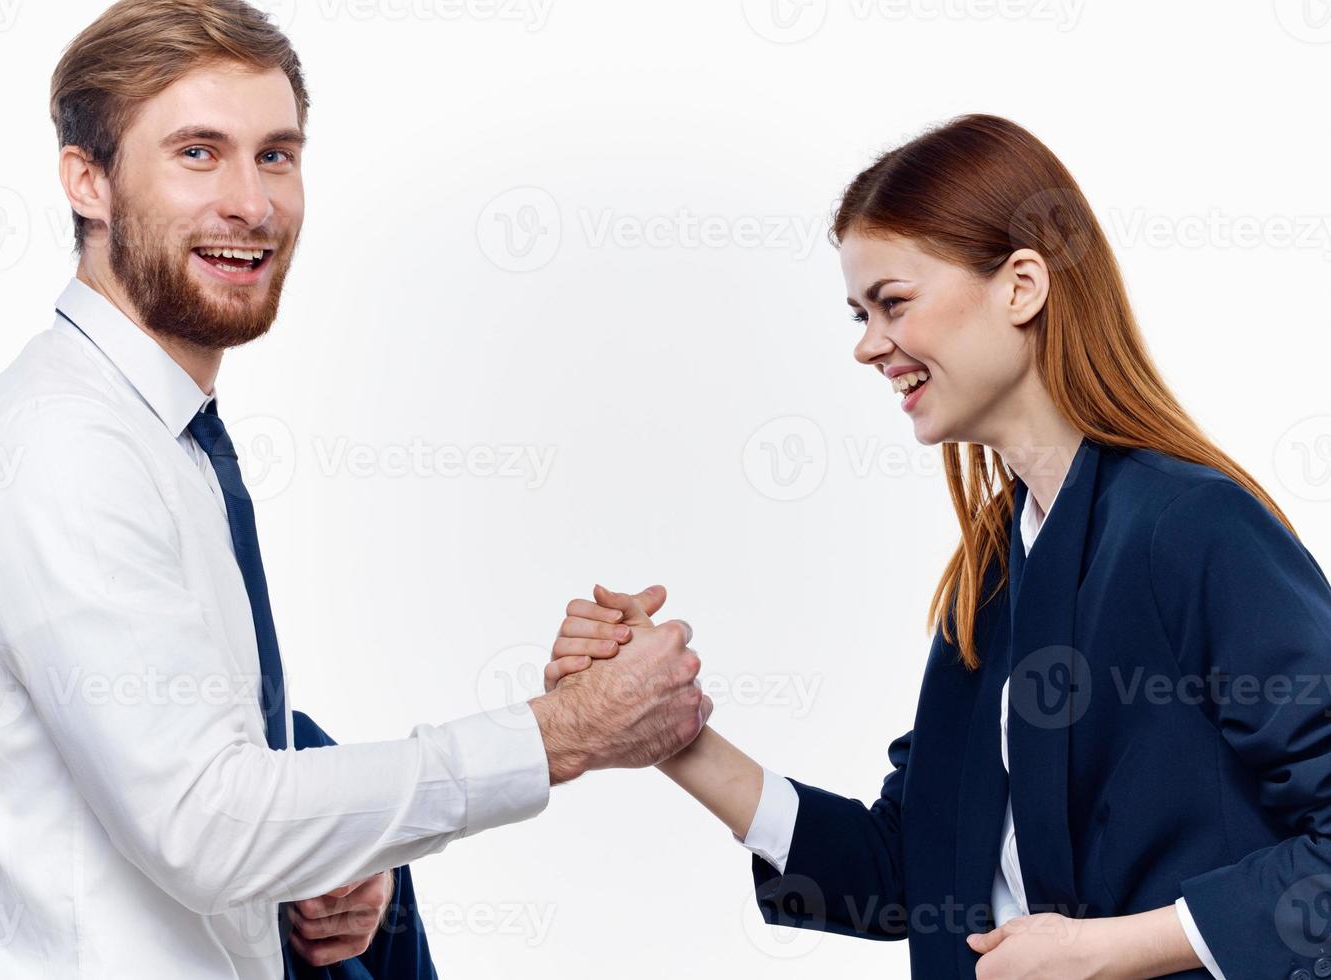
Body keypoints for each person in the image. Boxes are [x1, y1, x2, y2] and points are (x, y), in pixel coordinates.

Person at [0, 2, 711, 977]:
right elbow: (206, 822)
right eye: (198, 153)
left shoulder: (161, 433)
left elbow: (210, 754)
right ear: (89, 181)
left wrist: (342, 854)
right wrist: (560, 733)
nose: (251, 202)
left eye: (275, 155)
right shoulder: (59, 448)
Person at [549, 114, 1331, 980]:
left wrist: (1106, 953)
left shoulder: (1193, 529)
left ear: (1022, 286)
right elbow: (908, 873)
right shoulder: (997, 569)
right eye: (858, 311)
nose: (867, 343)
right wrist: (667, 732)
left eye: (894, 302)